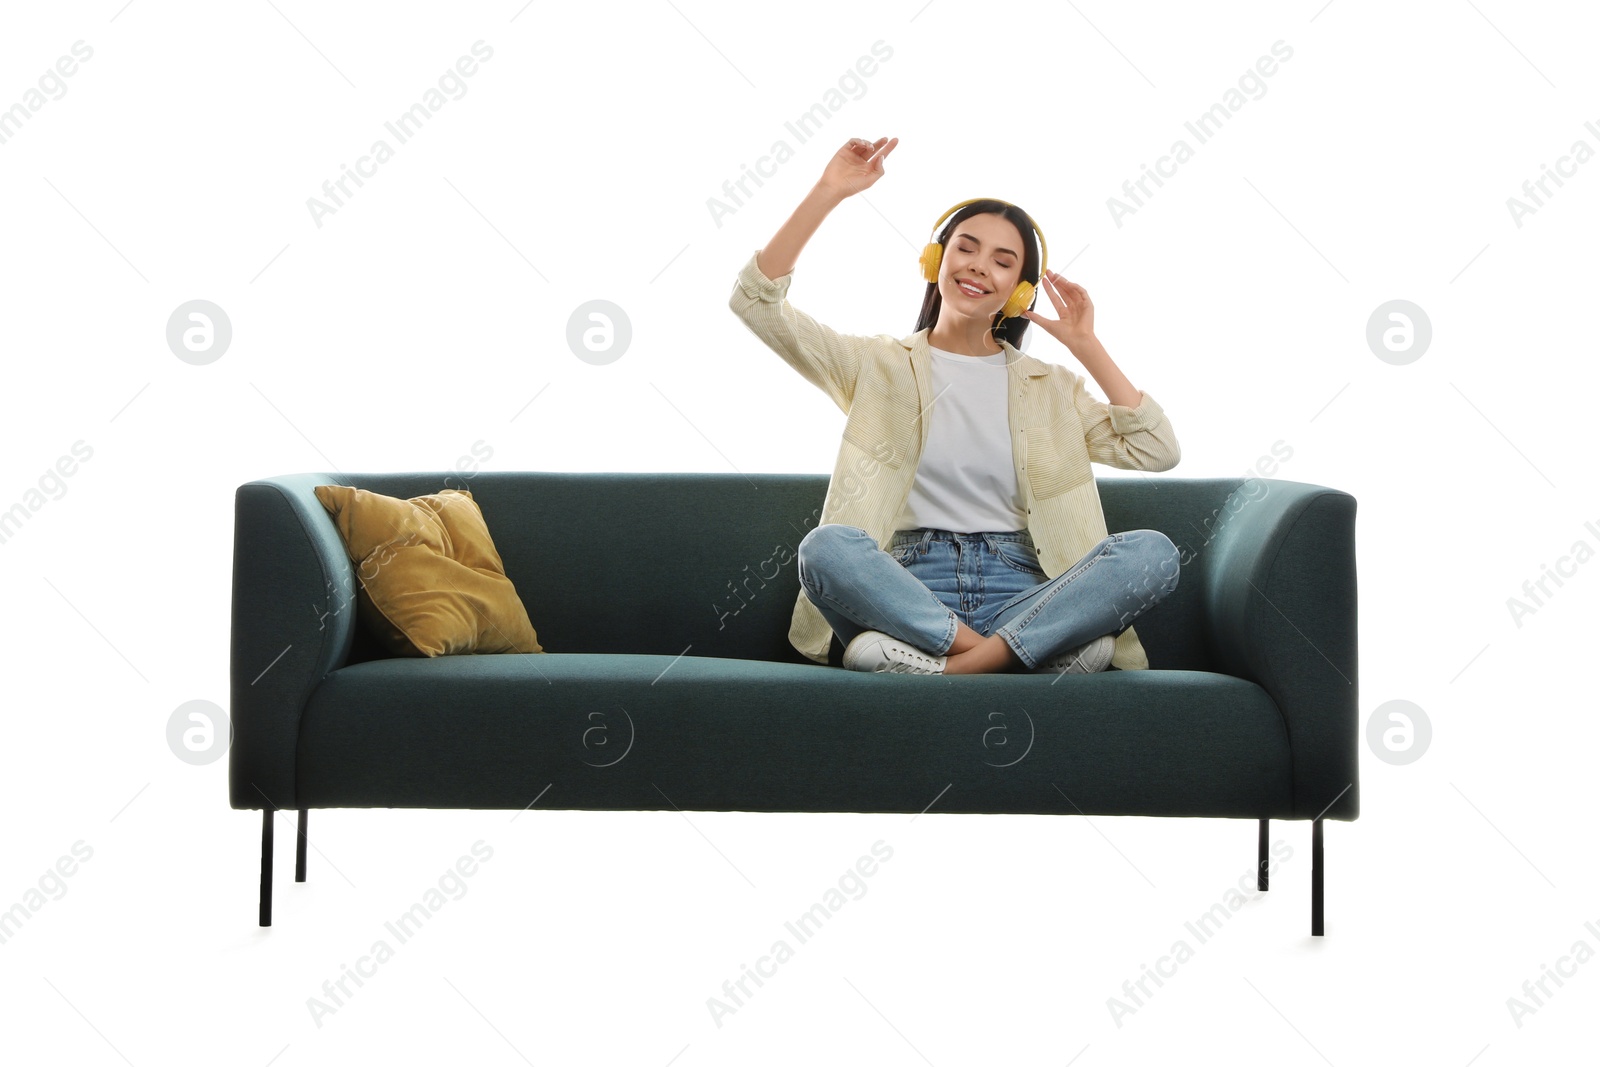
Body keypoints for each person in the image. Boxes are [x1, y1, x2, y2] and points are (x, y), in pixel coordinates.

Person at [727, 135, 1182, 675]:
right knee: (826, 549)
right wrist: (828, 192)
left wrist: (1087, 346)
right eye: (966, 247)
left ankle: (944, 670)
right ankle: (1023, 658)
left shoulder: (1052, 387)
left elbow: (1155, 451)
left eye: (1002, 261)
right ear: (935, 260)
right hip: (911, 590)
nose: (979, 267)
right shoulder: (877, 366)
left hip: (1026, 591)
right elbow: (755, 304)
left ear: (1019, 291)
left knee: (1153, 553)